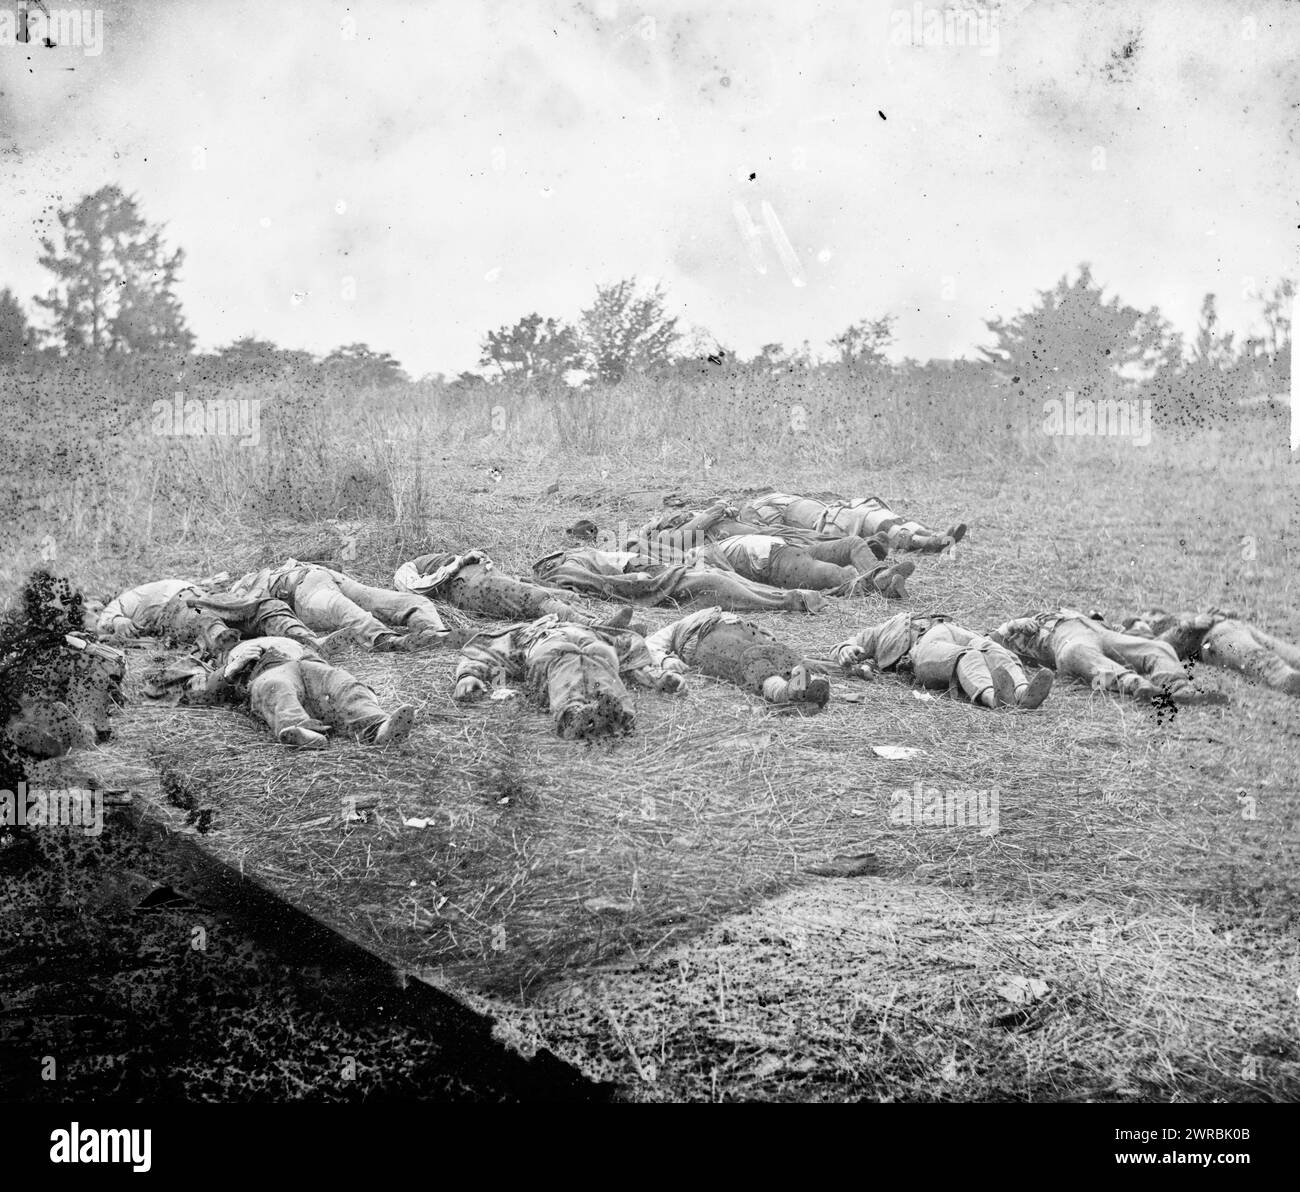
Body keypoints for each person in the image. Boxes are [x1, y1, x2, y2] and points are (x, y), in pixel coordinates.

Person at [453, 615, 683, 740]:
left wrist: (658, 676)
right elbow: (487, 651)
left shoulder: (593, 629)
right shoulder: (524, 633)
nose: (555, 618)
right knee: (567, 658)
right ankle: (573, 715)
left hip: (594, 645)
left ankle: (616, 714)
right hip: (549, 650)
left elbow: (629, 654)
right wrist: (468, 675)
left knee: (597, 657)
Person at [175, 636, 416, 750]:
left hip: (309, 664)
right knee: (277, 688)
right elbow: (204, 693)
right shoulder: (225, 656)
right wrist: (231, 669)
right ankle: (302, 731)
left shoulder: (287, 629)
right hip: (267, 672)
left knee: (343, 683)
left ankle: (379, 728)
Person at [990, 608, 1226, 705]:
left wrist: (1190, 625)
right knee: (1077, 654)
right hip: (1067, 643)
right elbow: (989, 642)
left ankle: (1180, 689)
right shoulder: (1020, 632)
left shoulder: (1074, 612)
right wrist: (1013, 624)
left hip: (1102, 633)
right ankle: (1141, 687)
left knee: (1157, 649)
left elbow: (1149, 641)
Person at [834, 612, 1053, 709]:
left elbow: (988, 638)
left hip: (953, 630)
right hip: (922, 646)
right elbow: (851, 643)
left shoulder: (937, 619)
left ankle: (1024, 692)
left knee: (991, 648)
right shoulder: (885, 629)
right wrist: (845, 648)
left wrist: (1010, 626)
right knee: (966, 657)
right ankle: (994, 698)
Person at [531, 544, 828, 613]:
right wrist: (638, 577)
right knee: (715, 584)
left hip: (651, 569)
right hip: (647, 579)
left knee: (717, 576)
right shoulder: (566, 565)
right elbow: (598, 584)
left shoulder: (578, 555)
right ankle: (788, 601)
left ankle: (794, 597)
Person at [644, 607, 831, 709]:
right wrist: (664, 660)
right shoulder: (680, 626)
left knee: (774, 650)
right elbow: (649, 645)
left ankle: (809, 685)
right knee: (748, 657)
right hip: (706, 637)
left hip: (746, 631)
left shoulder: (727, 615)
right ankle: (783, 692)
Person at [237, 560, 447, 651]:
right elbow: (254, 612)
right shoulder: (239, 592)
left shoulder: (277, 569)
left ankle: (435, 633)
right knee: (344, 610)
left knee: (410, 602)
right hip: (302, 594)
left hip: (326, 577)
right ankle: (390, 641)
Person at [396, 550, 631, 625]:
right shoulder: (405, 570)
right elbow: (418, 589)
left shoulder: (435, 558)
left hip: (482, 578)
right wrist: (460, 562)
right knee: (534, 598)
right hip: (467, 587)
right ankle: (596, 626)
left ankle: (594, 622)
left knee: (550, 594)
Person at [1120, 608, 1300, 697]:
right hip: (1214, 639)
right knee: (1259, 658)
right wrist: (1190, 624)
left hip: (1233, 627)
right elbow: (1161, 649)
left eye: (1150, 615)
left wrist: (1220, 613)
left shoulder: (1173, 619)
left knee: (1290, 653)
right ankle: (1286, 679)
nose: (1148, 620)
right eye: (1142, 620)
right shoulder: (1150, 643)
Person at [739, 491, 966, 554]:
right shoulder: (755, 510)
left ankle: (933, 535)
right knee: (862, 516)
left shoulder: (772, 497)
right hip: (824, 523)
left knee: (871, 509)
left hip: (833, 512)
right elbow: (774, 532)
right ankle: (926, 541)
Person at [92, 579, 240, 657]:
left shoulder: (120, 602)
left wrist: (118, 620)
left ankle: (226, 643)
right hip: (194, 596)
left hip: (179, 601)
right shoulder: (139, 595)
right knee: (221, 616)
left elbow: (104, 621)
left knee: (202, 619)